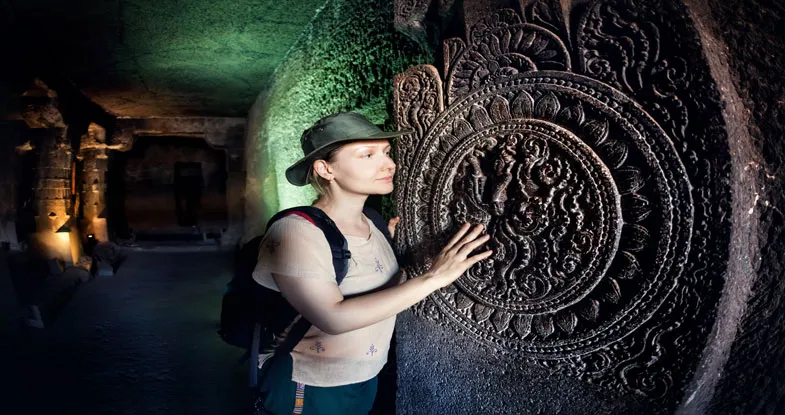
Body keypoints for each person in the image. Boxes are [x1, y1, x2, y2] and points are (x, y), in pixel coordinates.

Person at [252, 112, 492, 414]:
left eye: (386, 152)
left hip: (367, 377)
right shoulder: (295, 231)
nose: (388, 164)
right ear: (325, 169)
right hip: (310, 382)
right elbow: (332, 319)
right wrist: (434, 277)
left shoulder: (374, 223)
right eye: (367, 154)